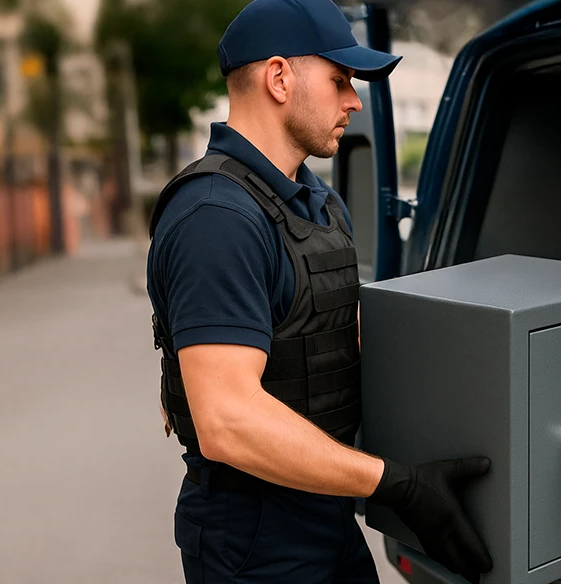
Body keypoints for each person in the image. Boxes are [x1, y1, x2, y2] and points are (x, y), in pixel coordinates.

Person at [144, 0, 493, 582]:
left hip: (324, 501)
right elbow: (228, 420)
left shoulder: (319, 204)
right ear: (279, 78)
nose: (354, 102)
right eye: (340, 80)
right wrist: (395, 484)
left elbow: (330, 336)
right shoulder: (216, 215)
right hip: (254, 530)